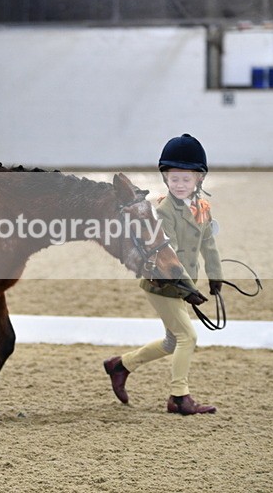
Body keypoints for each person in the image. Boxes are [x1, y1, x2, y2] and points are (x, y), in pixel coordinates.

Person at [104, 133, 222, 415]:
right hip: (164, 284)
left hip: (185, 283)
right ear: (166, 179)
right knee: (188, 337)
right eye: (174, 178)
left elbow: (208, 243)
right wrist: (186, 289)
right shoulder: (163, 212)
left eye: (186, 179)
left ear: (199, 180)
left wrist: (214, 275)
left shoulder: (202, 208)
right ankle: (179, 397)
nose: (180, 184)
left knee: (172, 341)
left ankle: (120, 365)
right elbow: (165, 258)